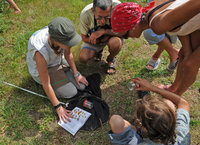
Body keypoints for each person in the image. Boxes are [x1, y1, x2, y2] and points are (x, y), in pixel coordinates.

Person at [111, 0, 200, 95]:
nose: (128, 38)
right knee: (183, 55)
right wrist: (187, 52)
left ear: (133, 26)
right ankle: (173, 89)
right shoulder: (151, 13)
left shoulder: (159, 25)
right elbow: (181, 25)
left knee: (189, 64)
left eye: (125, 35)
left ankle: (176, 96)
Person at [27, 17, 88, 123]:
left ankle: (62, 74)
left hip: (57, 60)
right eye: (68, 43)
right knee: (71, 93)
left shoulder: (61, 36)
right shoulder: (40, 51)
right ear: (55, 40)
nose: (70, 44)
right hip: (44, 69)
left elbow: (68, 53)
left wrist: (76, 74)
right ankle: (60, 78)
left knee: (81, 86)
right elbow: (46, 83)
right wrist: (58, 106)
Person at [108, 77, 190, 145]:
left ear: (143, 128)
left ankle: (136, 131)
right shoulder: (181, 134)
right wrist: (152, 87)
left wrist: (152, 88)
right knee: (167, 102)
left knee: (116, 120)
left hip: (139, 139)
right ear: (172, 120)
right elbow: (183, 103)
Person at [79, 0, 123, 75]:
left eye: (107, 17)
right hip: (96, 40)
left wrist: (104, 31)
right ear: (93, 11)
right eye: (99, 17)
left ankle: (111, 58)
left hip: (112, 37)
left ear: (112, 9)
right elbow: (84, 38)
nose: (103, 21)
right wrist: (99, 41)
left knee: (116, 43)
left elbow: (123, 32)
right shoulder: (85, 14)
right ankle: (98, 51)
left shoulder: (119, 8)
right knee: (83, 58)